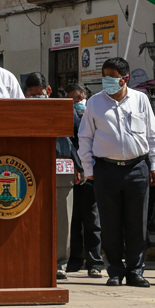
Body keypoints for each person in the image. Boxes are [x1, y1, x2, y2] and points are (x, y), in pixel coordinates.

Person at [78, 56, 155, 288]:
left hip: (137, 169)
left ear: (125, 79)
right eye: (104, 77)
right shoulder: (95, 103)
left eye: (112, 78)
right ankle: (115, 270)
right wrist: (88, 169)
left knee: (137, 223)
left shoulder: (141, 100)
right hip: (105, 170)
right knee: (110, 223)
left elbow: (153, 136)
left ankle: (136, 270)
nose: (107, 82)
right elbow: (85, 137)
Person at [24, 72, 81, 281]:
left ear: (48, 91)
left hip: (62, 166)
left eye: (39, 94)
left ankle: (59, 264)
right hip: (31, 168)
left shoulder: (65, 109)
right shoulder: (21, 111)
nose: (36, 98)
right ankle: (32, 259)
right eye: (31, 95)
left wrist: (79, 166)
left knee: (62, 218)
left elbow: (78, 138)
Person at [66, 84, 103, 279]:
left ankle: (94, 261)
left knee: (92, 219)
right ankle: (74, 259)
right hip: (71, 174)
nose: (77, 103)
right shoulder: (65, 115)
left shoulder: (94, 114)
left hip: (91, 173)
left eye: (79, 98)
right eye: (72, 100)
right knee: (73, 220)